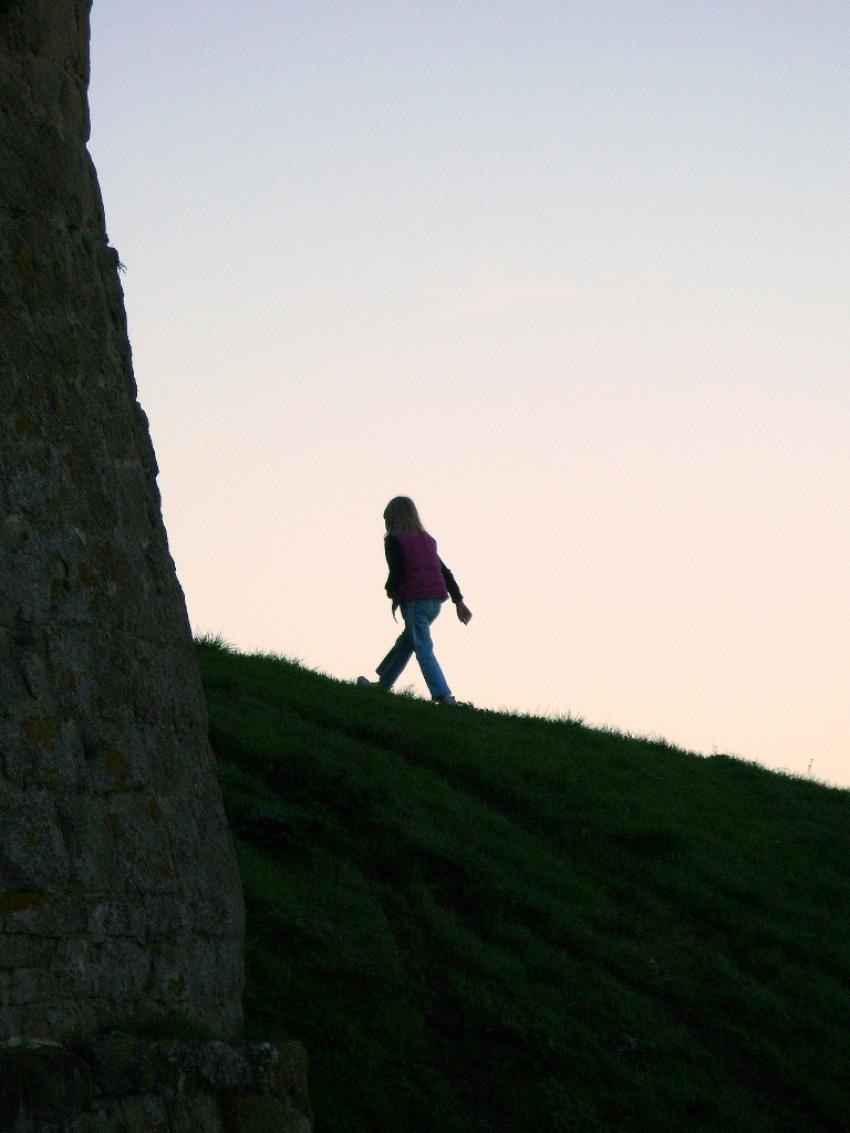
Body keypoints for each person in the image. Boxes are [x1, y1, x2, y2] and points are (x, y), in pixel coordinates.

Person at [358, 496, 472, 704]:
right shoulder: (426, 541)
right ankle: (383, 684)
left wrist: (390, 590)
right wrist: (459, 601)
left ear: (393, 519)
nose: (385, 524)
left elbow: (397, 570)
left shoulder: (393, 540)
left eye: (387, 519)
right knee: (407, 641)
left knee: (422, 647)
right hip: (434, 603)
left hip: (415, 601)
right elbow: (444, 571)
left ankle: (444, 695)